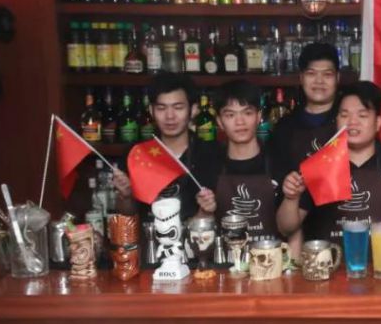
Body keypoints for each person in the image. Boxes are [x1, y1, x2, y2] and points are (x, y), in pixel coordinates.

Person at [276, 81, 381, 242]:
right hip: (327, 257)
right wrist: (291, 198)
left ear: (378, 123)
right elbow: (286, 228)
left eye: (362, 115)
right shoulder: (318, 166)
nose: (352, 122)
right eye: (345, 115)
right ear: (337, 121)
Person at [111, 73, 219, 222]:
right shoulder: (137, 154)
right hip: (149, 235)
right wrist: (126, 196)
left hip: (196, 234)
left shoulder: (211, 152)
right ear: (151, 110)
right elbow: (127, 213)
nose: (170, 116)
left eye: (178, 108)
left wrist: (206, 209)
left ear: (193, 110)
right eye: (161, 108)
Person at [207, 79, 282, 238]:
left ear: (258, 116)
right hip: (225, 253)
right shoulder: (210, 164)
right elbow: (201, 229)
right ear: (219, 121)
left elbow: (291, 228)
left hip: (271, 252)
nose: (240, 122)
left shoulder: (278, 160)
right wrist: (204, 210)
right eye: (230, 115)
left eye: (247, 113)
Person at [266, 41, 341, 181]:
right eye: (311, 73)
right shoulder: (284, 127)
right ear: (301, 78)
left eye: (327, 74)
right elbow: (274, 175)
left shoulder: (349, 123)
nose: (319, 81)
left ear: (337, 78)